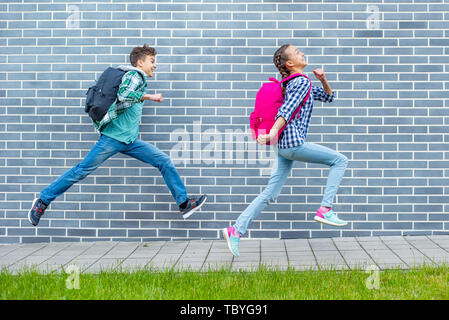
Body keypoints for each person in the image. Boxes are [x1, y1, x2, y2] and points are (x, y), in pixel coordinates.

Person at [28, 44, 207, 227]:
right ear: (140, 62)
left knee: (163, 161)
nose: (155, 65)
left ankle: (184, 203)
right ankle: (42, 200)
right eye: (152, 61)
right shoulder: (135, 75)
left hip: (130, 141)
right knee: (80, 171)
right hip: (112, 140)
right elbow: (124, 95)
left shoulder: (135, 77)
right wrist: (150, 97)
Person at [222, 44, 349, 257]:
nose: (302, 53)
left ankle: (235, 230)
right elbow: (286, 109)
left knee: (270, 193)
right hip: (292, 143)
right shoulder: (300, 82)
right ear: (290, 64)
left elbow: (329, 97)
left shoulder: (299, 83)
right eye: (297, 52)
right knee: (339, 160)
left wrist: (323, 79)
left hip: (284, 147)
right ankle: (325, 209)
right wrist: (272, 132)